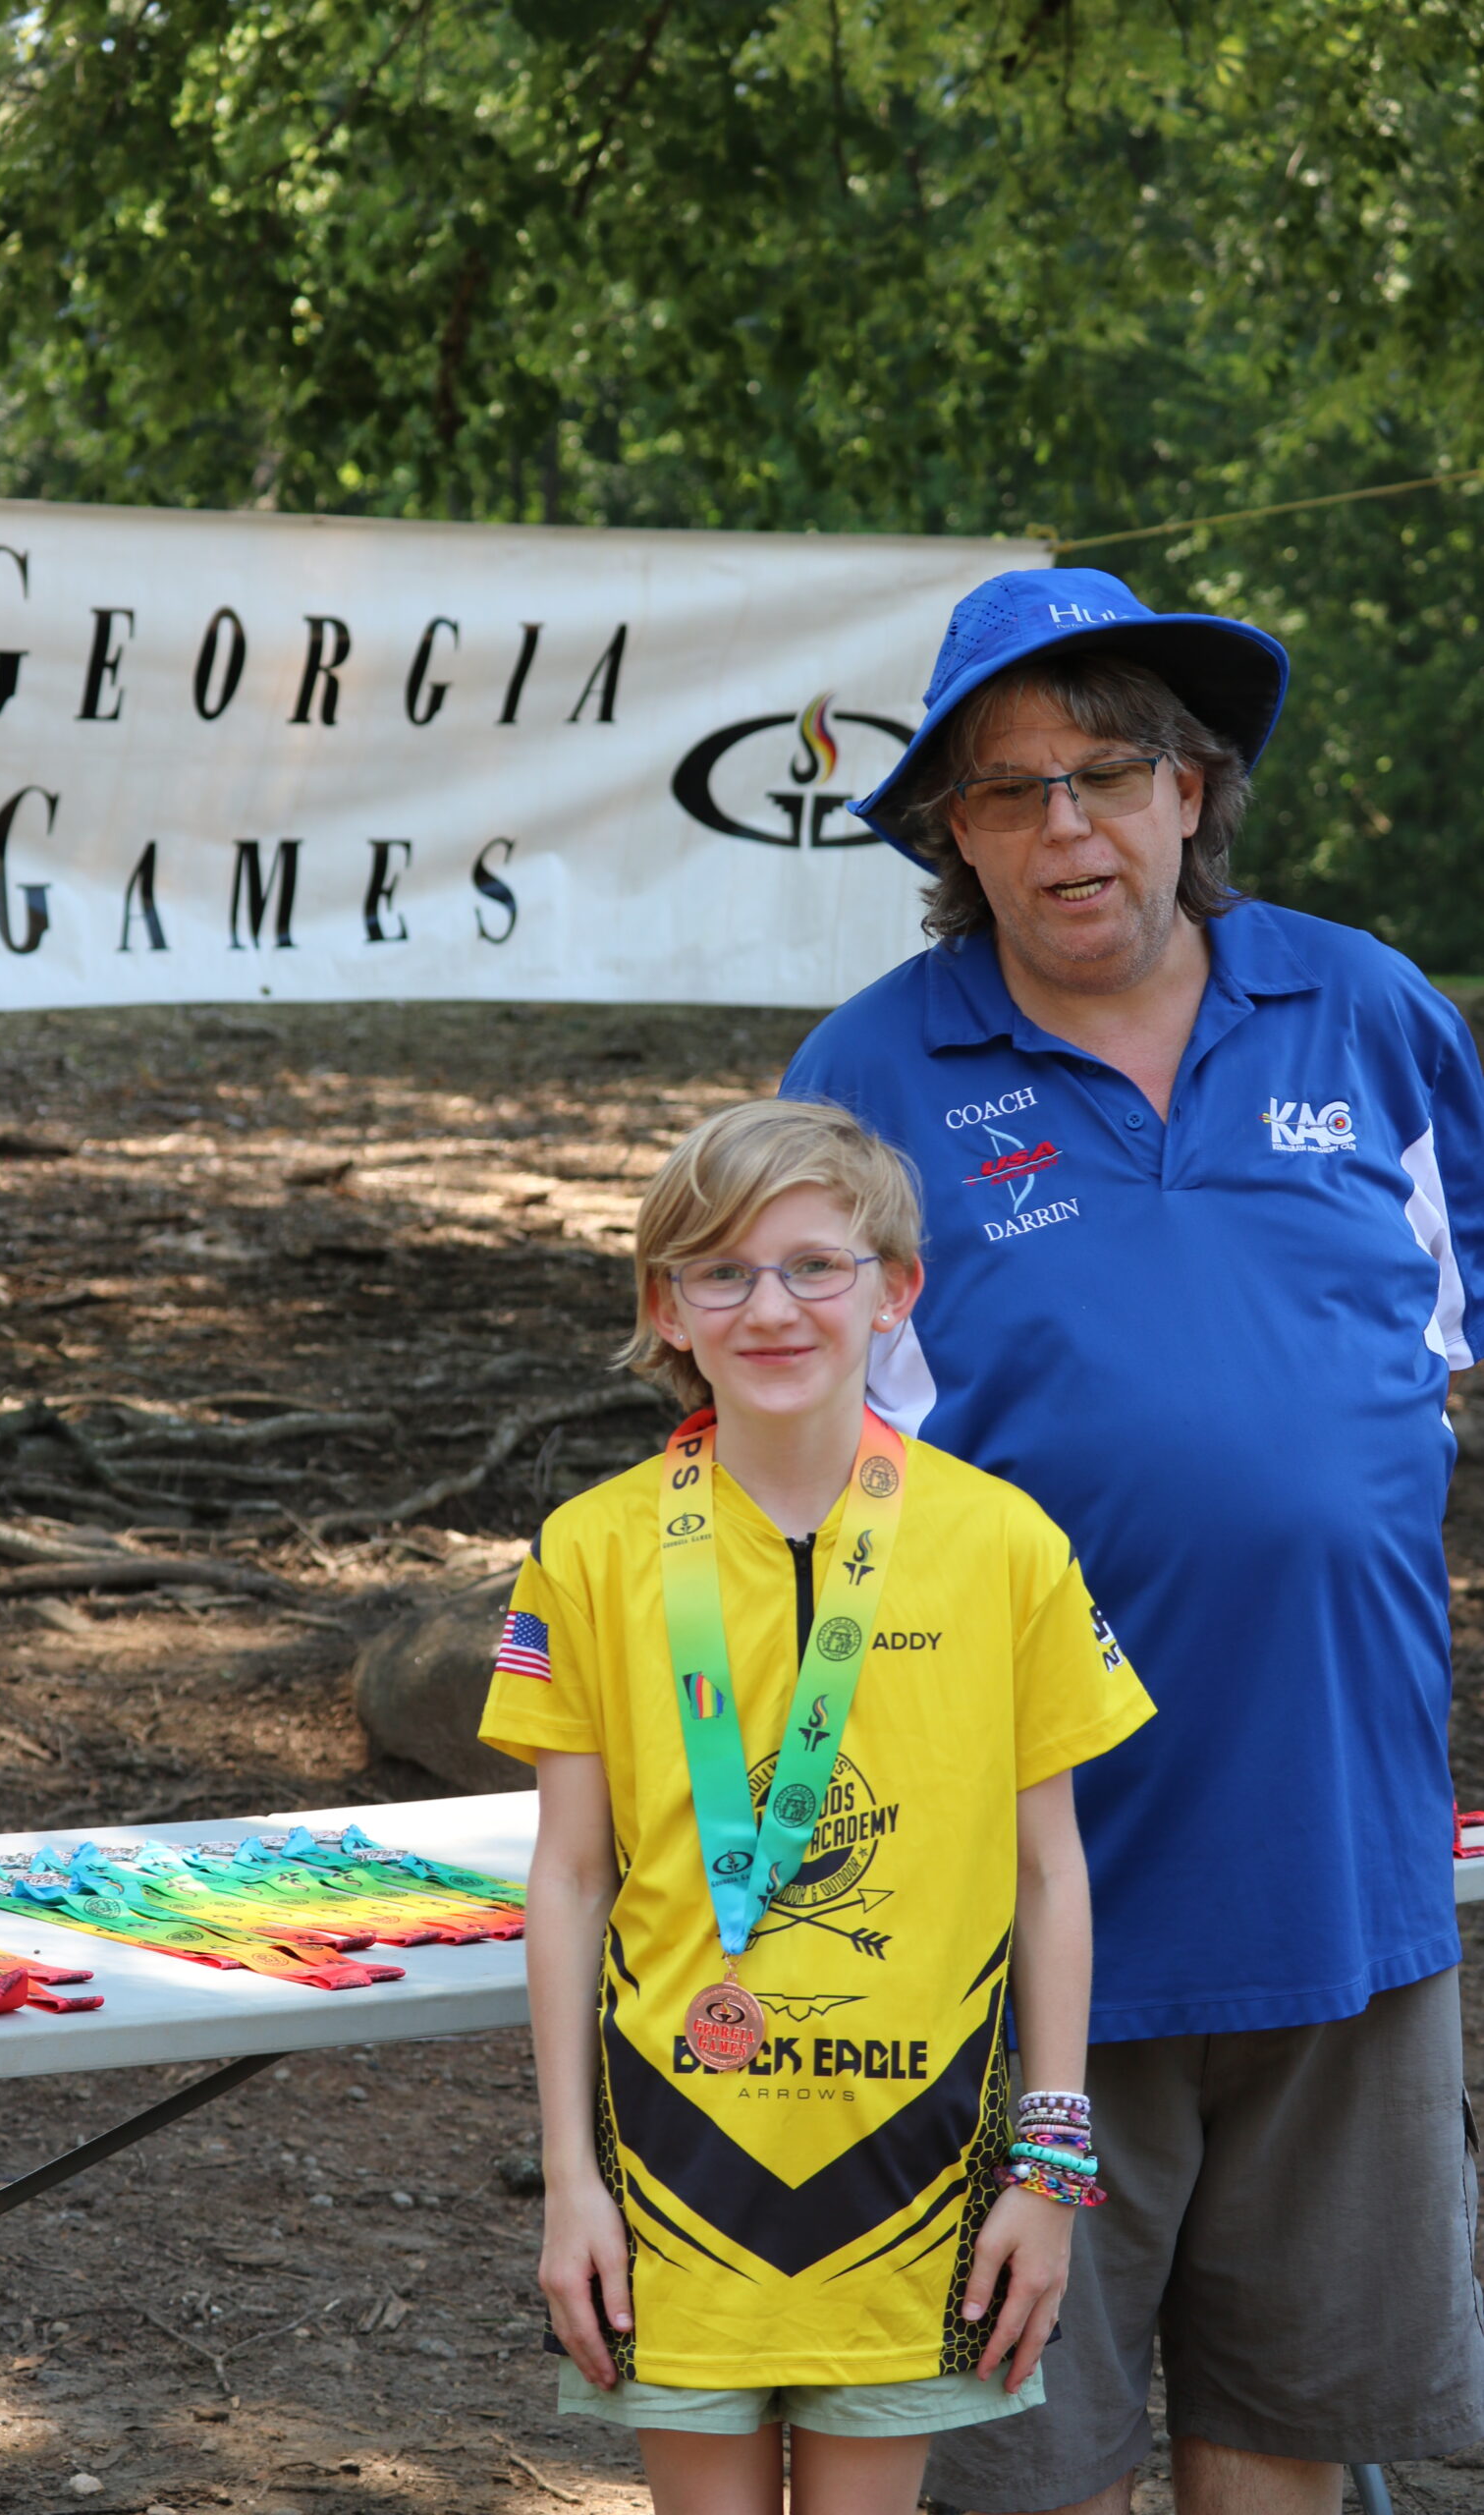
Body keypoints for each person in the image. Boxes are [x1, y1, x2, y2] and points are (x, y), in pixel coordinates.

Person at [782, 564, 1484, 2515]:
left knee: (1289, 2426)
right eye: (1009, 792)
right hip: (1013, 1897)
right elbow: (787, 1477)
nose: (1064, 828)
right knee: (1034, 2463)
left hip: (1336, 1865)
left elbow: (1433, 1344)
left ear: (1190, 789)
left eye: (1104, 775)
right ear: (952, 834)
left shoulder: (1364, 1009)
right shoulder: (866, 1077)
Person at [478, 1099, 1153, 2515]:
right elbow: (570, 1877)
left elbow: (1049, 1874)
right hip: (673, 2164)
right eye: (722, 1272)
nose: (771, 1307)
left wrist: (1047, 2168)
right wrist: (569, 2181)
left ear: (894, 1289)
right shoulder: (590, 1551)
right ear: (666, 1307)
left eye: (814, 1266)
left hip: (915, 2161)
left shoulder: (1004, 1545)